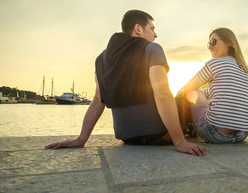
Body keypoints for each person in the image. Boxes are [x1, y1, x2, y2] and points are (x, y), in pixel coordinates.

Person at [45, 10, 206, 156]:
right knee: (191, 95)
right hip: (158, 136)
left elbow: (98, 99)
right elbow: (162, 94)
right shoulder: (152, 49)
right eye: (152, 29)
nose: (155, 34)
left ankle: (187, 128)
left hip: (128, 138)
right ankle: (197, 131)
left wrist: (81, 139)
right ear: (138, 29)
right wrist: (180, 142)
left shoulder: (101, 59)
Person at [176, 27, 248, 143]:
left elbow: (188, 88)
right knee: (204, 93)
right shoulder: (245, 69)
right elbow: (219, 91)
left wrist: (176, 100)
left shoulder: (215, 63)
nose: (210, 47)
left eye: (213, 42)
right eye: (209, 44)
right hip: (241, 134)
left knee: (195, 92)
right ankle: (194, 126)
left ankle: (190, 126)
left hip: (215, 134)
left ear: (228, 43)